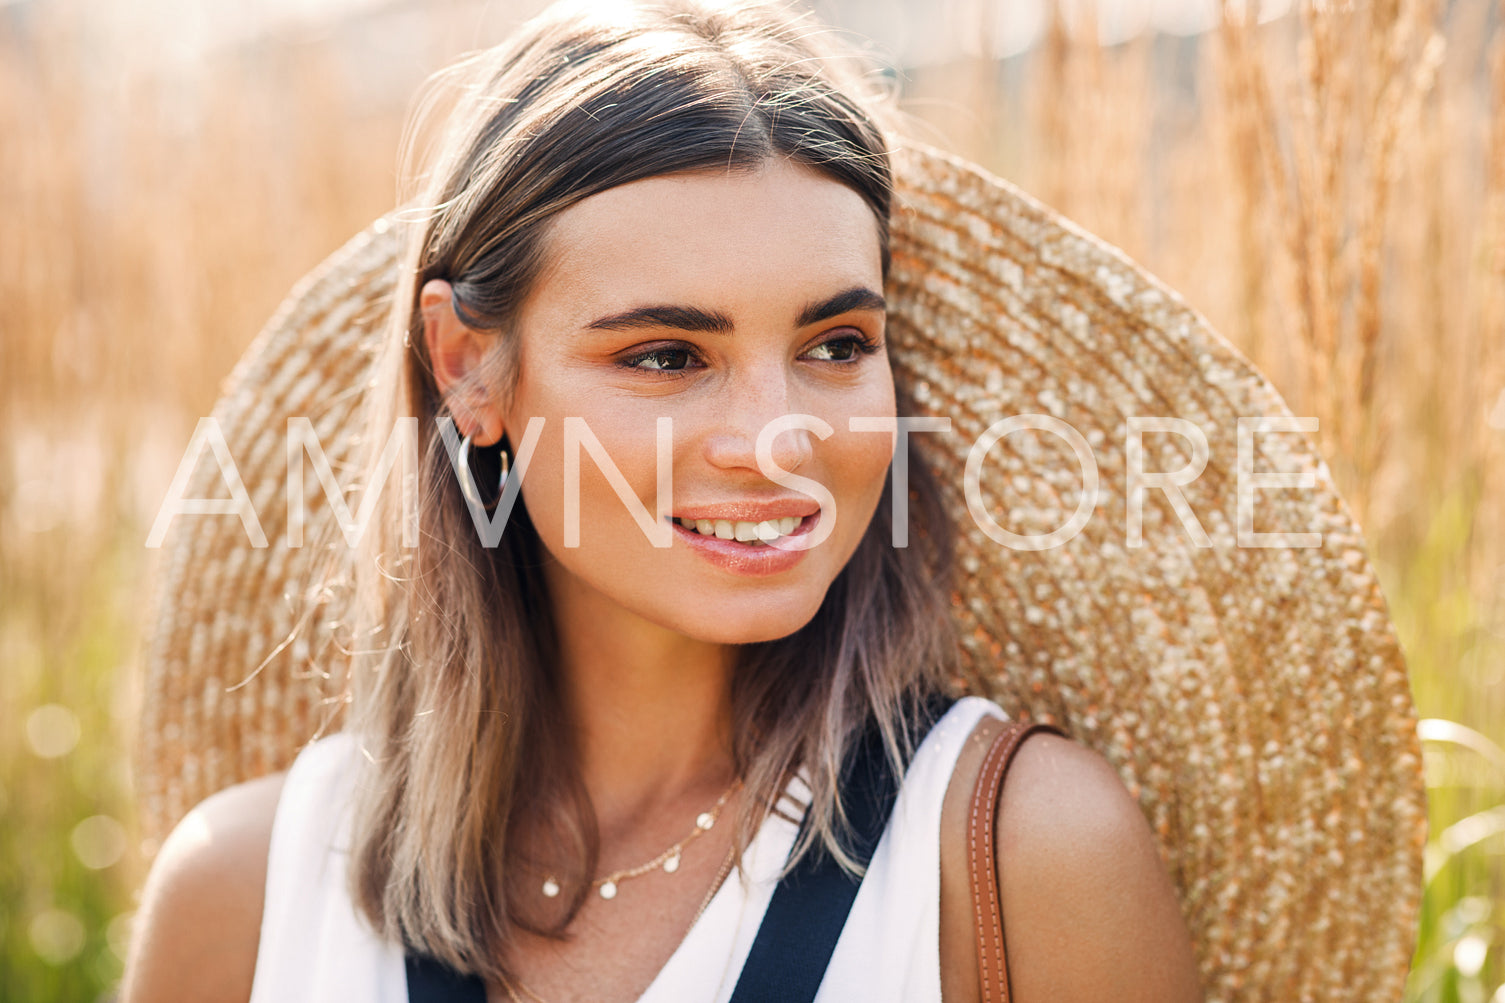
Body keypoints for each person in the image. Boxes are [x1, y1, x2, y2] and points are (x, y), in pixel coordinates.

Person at [121, 1, 1428, 1001]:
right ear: (469, 369)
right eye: (665, 356)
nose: (779, 440)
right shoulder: (245, 895)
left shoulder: (1016, 860)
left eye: (836, 343)